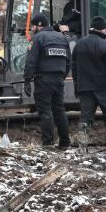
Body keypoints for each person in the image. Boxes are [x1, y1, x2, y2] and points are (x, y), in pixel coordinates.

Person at [71, 16, 106, 156]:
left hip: (85, 89)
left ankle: (82, 149)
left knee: (85, 118)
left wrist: (76, 86)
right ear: (103, 29)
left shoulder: (79, 45)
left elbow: (74, 68)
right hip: (105, 88)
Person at [24, 12, 71, 150]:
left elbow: (31, 61)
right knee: (59, 110)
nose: (32, 30)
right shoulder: (62, 38)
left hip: (43, 79)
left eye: (32, 26)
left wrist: (27, 80)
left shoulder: (38, 38)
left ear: (39, 26)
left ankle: (48, 143)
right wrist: (62, 76)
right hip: (59, 79)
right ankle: (65, 143)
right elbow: (68, 61)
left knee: (45, 111)